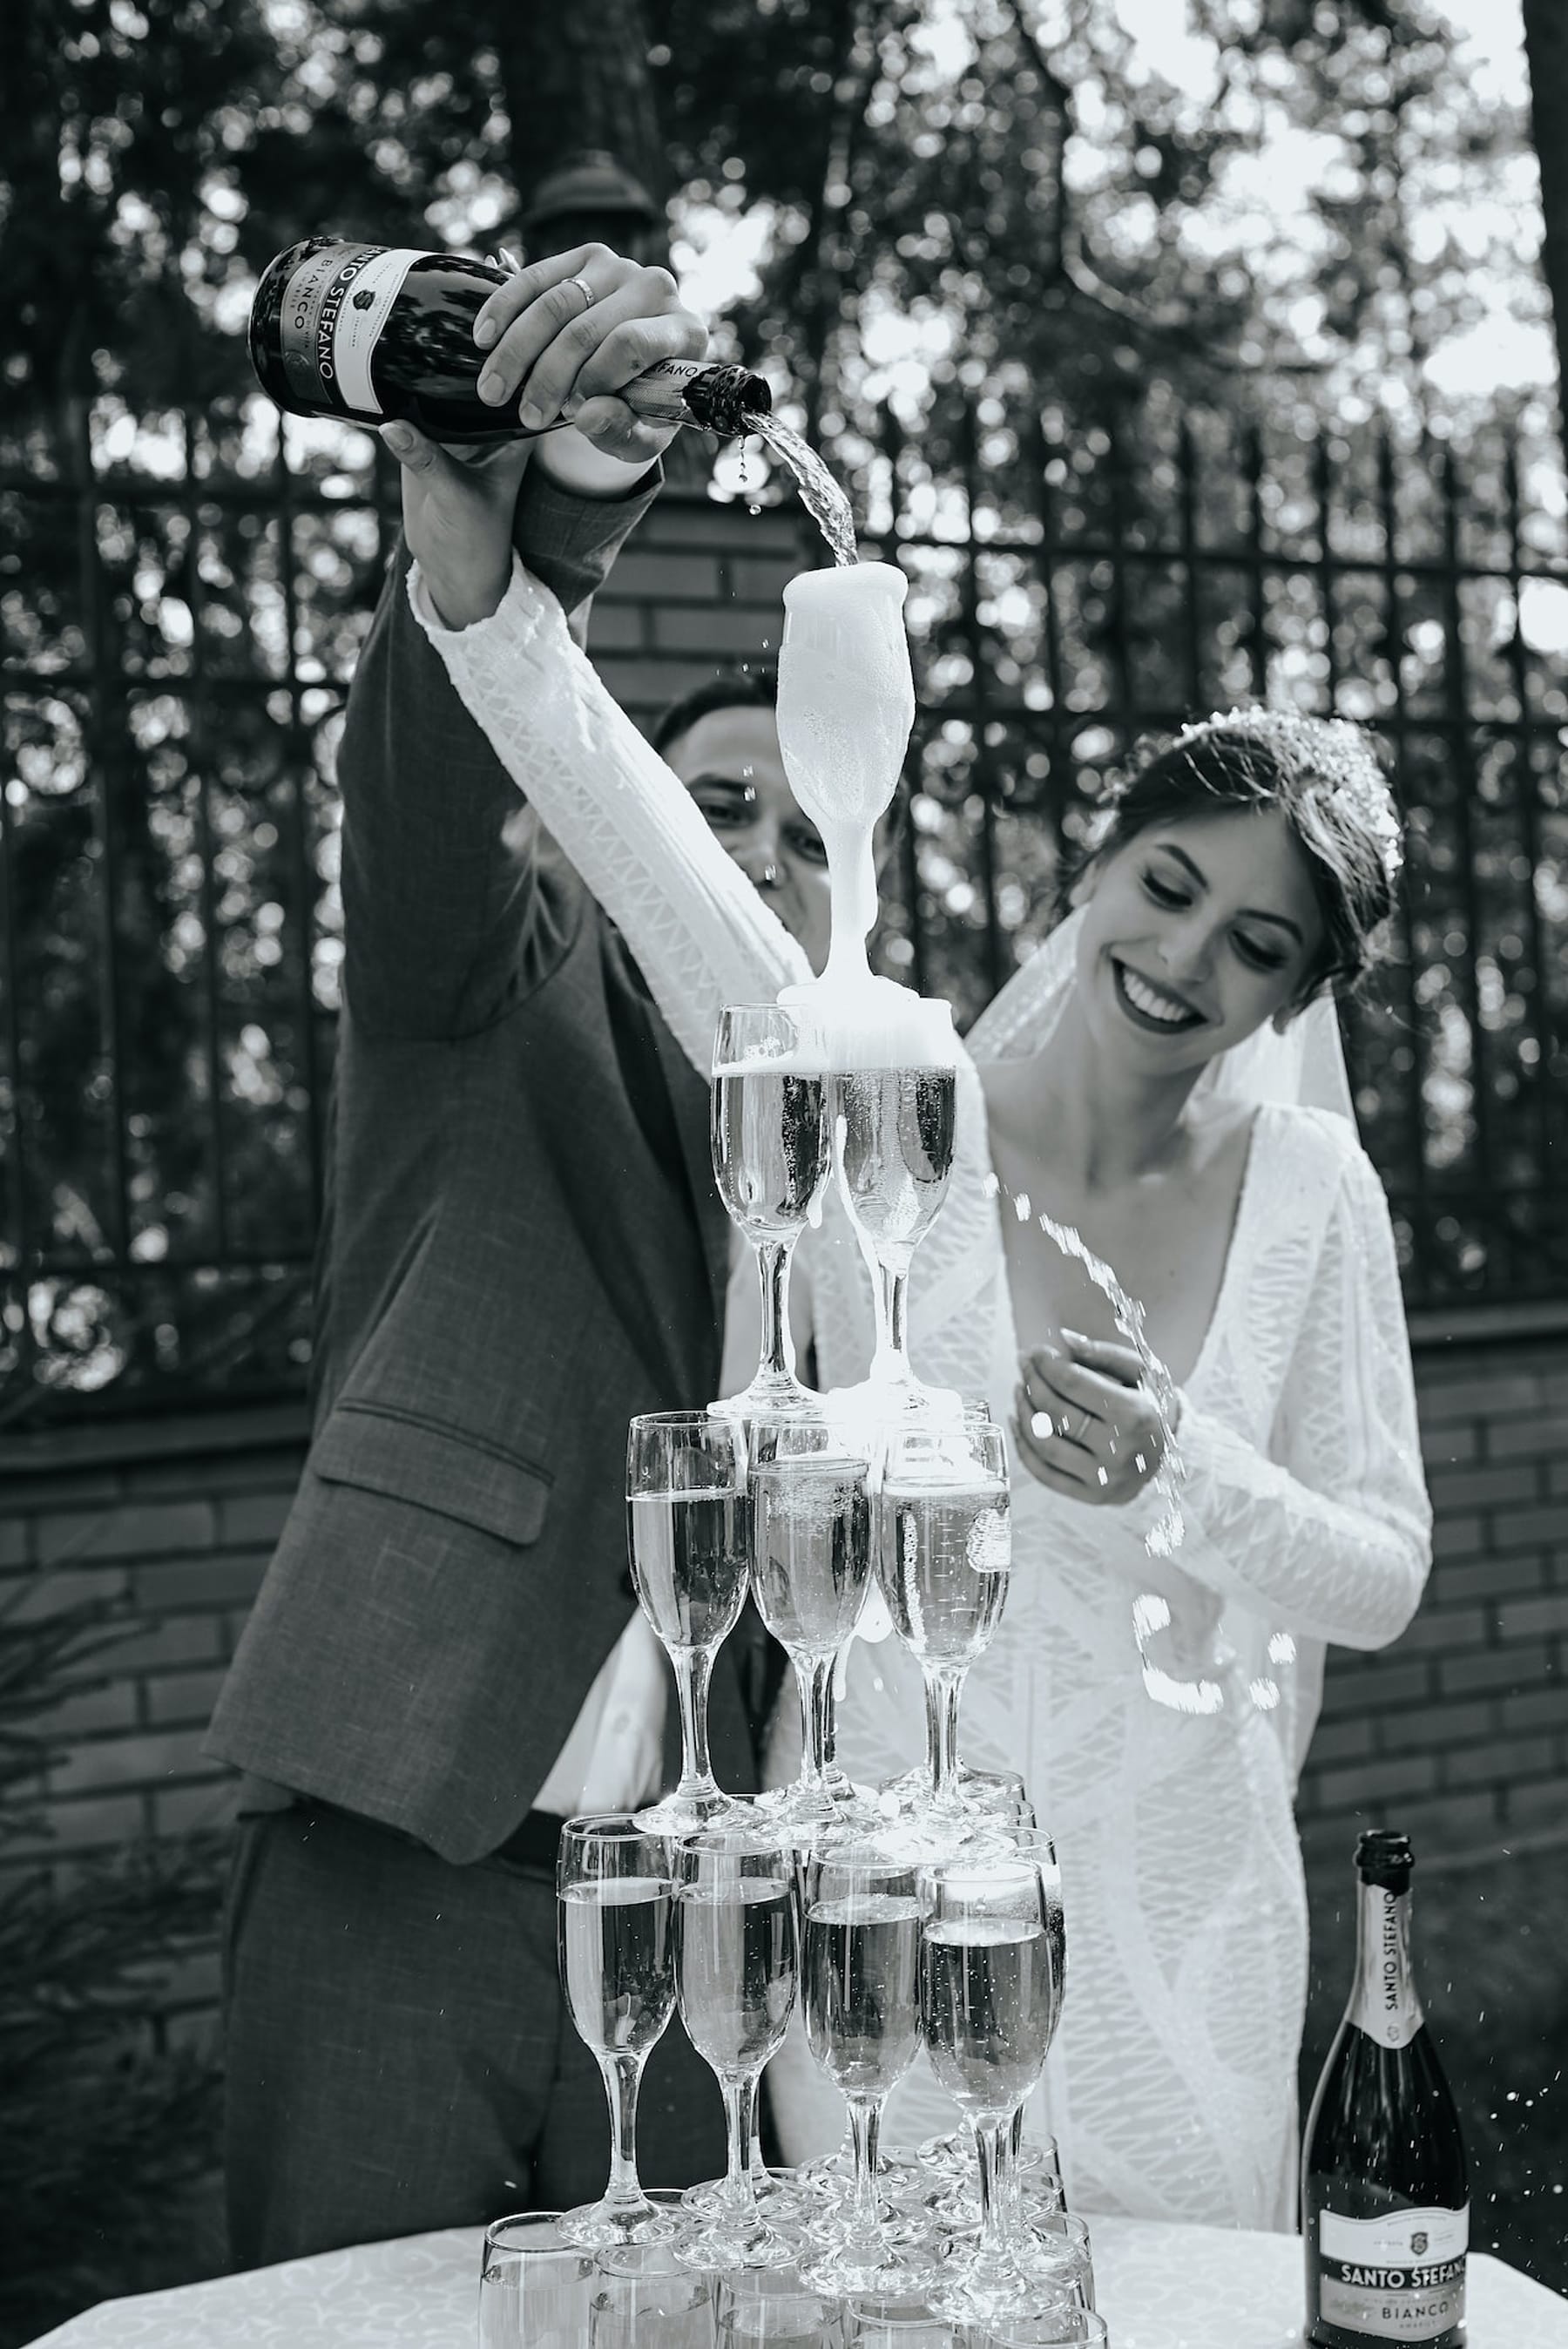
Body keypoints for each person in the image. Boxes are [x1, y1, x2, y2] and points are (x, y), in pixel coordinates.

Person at [393, 326, 1434, 2232]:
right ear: (1103, 859)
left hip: (1193, 1898)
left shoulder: (1312, 1195)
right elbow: (639, 844)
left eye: (1257, 941)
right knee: (897, 2291)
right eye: (1173, 882)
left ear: (1295, 1000)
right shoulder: (878, 1079)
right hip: (885, 1894)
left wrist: (1185, 1467)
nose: (1190, 954)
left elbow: (1380, 1569)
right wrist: (484, 594)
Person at [204, 247, 834, 2267]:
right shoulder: (485, 979)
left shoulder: (874, 1166)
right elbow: (433, 783)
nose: (749, 848)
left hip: (713, 1929)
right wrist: (523, 537)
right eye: (709, 798)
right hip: (414, 1835)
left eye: (802, 829)